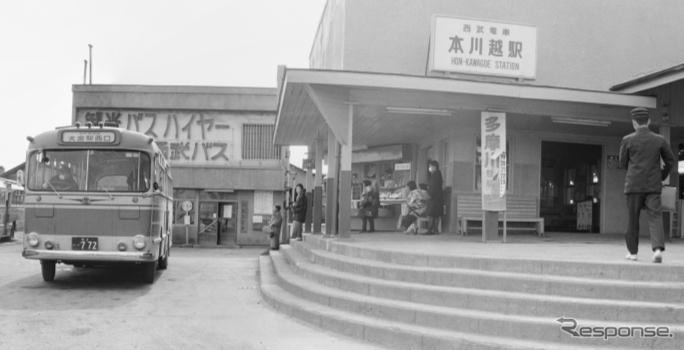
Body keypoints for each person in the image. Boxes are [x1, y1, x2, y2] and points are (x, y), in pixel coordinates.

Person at [619, 107, 675, 263]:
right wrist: (661, 176)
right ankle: (657, 250)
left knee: (632, 219)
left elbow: (622, 163)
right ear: (649, 121)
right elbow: (670, 161)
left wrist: (633, 172)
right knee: (655, 217)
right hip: (653, 186)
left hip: (633, 186)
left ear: (634, 123)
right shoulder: (659, 140)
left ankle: (633, 253)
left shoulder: (627, 140)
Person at [427, 160, 443, 234]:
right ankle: (435, 230)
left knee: (432, 214)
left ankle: (430, 230)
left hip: (434, 198)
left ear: (434, 167)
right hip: (438, 198)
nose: (429, 168)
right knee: (436, 215)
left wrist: (429, 195)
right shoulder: (438, 174)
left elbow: (433, 187)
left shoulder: (435, 175)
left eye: (430, 166)